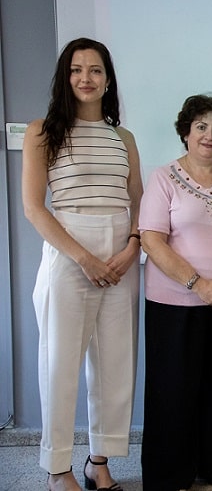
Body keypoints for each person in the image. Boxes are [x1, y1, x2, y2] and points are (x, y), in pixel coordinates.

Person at [22, 38, 142, 491]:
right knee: (60, 364)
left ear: (108, 79)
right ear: (64, 77)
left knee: (115, 363)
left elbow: (138, 201)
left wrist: (132, 248)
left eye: (95, 70)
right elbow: (35, 208)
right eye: (76, 70)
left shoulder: (123, 138)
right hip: (70, 252)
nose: (85, 78)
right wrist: (84, 258)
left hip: (121, 255)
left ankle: (99, 462)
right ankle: (57, 470)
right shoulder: (41, 132)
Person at [139, 94, 212, 491]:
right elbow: (151, 240)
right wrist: (198, 283)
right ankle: (170, 473)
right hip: (173, 303)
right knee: (173, 388)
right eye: (202, 126)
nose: (209, 135)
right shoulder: (163, 177)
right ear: (186, 132)